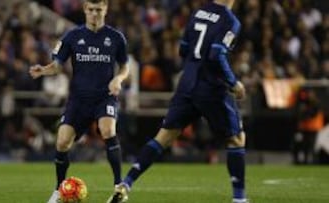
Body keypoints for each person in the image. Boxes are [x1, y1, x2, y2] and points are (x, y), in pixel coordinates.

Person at [107, 0, 248, 203]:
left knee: (163, 138)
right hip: (211, 88)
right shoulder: (230, 20)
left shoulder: (199, 13)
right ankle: (240, 199)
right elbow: (217, 54)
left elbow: (183, 49)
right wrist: (234, 83)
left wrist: (193, 68)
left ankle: (126, 183)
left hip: (187, 83)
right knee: (236, 139)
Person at [28, 0, 129, 202]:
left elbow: (125, 66)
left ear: (106, 10)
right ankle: (59, 189)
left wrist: (118, 78)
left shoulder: (116, 38)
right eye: (91, 10)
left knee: (108, 130)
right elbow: (57, 65)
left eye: (99, 10)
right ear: (84, 9)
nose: (94, 14)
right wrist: (44, 70)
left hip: (104, 97)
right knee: (62, 141)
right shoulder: (72, 36)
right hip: (78, 99)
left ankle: (119, 188)